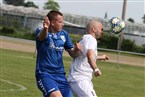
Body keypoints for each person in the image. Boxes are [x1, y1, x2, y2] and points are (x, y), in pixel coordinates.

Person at [35, 10, 79, 97]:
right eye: (60, 22)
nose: (62, 24)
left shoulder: (64, 34)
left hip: (60, 75)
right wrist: (46, 28)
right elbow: (42, 37)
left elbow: (73, 54)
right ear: (52, 23)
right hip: (45, 74)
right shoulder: (41, 31)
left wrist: (76, 50)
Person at [68, 20, 109, 97]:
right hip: (80, 79)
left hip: (80, 79)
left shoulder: (85, 39)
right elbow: (90, 56)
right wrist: (96, 69)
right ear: (94, 29)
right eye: (101, 29)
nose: (102, 31)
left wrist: (100, 57)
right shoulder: (91, 39)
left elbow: (86, 56)